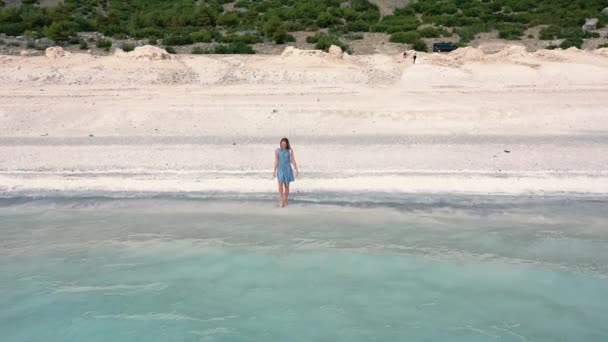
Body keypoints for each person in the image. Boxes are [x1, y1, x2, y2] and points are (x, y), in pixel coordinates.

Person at [273, 137, 299, 207]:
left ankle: (286, 199)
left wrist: (296, 168)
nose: (283, 145)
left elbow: (292, 160)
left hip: (288, 169)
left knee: (286, 185)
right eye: (282, 144)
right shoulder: (277, 151)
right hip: (280, 168)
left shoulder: (290, 151)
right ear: (280, 144)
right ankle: (281, 200)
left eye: (284, 144)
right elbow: (276, 161)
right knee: (280, 183)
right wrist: (274, 170)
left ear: (287, 144)